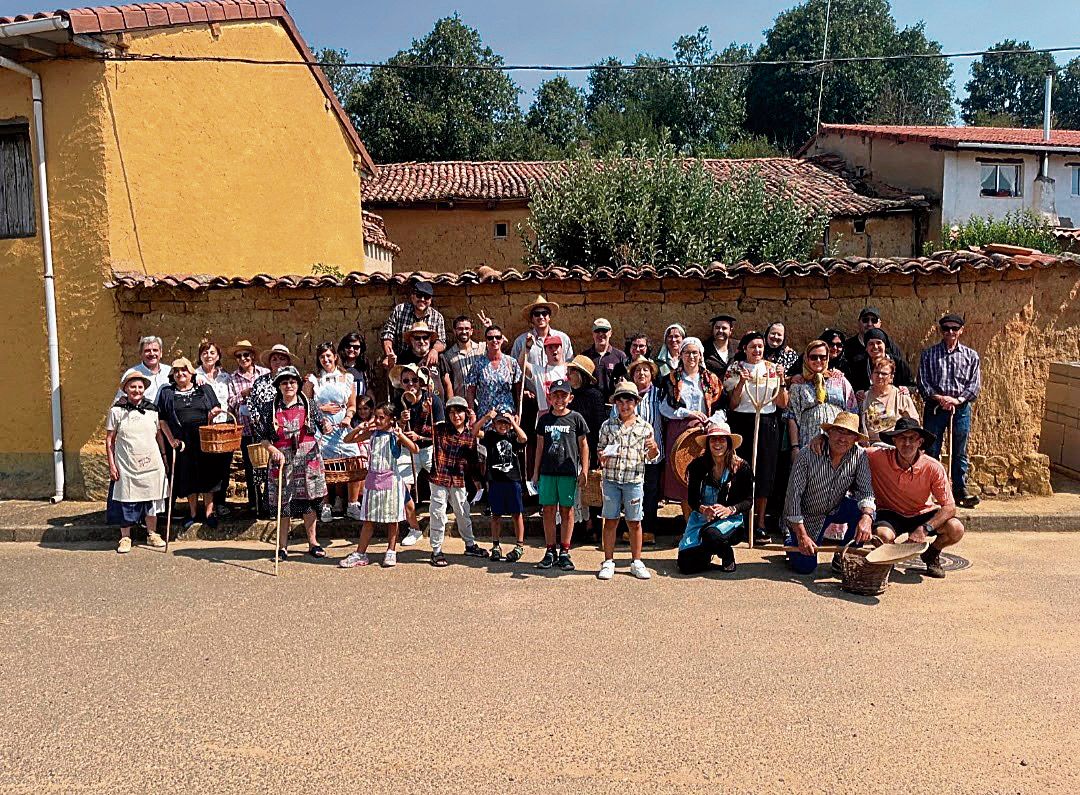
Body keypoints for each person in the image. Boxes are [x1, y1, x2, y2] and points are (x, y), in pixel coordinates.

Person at [866, 418, 965, 578]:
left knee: (956, 529)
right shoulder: (877, 456)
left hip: (921, 513)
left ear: (920, 442)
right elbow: (850, 449)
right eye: (902, 438)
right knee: (882, 535)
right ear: (894, 440)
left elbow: (949, 507)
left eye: (912, 438)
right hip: (890, 513)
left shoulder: (933, 467)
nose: (907, 443)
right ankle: (889, 558)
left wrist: (925, 529)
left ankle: (932, 553)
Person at [783, 412, 875, 574]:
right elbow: (793, 498)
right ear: (829, 432)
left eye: (849, 434)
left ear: (855, 439)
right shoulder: (807, 454)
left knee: (867, 513)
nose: (842, 438)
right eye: (839, 431)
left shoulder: (859, 456)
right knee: (805, 567)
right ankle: (791, 540)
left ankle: (845, 556)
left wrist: (867, 517)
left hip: (835, 507)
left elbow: (866, 491)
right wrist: (802, 535)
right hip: (807, 515)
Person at [256, 366, 332, 561]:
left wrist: (327, 426)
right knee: (283, 505)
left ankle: (313, 543)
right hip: (281, 459)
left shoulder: (310, 404)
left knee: (308, 504)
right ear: (278, 386)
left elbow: (323, 426)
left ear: (298, 384)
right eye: (284, 382)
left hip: (308, 459)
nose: (288, 385)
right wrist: (273, 451)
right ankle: (282, 547)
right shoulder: (270, 408)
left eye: (292, 382)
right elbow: (263, 438)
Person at [339, 402, 420, 568]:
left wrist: (401, 436)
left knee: (392, 519)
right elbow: (347, 440)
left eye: (381, 417)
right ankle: (360, 553)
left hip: (391, 482)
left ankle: (391, 551)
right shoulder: (372, 434)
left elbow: (415, 449)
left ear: (391, 419)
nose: (377, 420)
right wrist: (359, 428)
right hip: (373, 481)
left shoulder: (395, 435)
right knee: (368, 520)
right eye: (376, 416)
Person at [724, 331, 789, 537]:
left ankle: (760, 522)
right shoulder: (735, 368)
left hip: (767, 422)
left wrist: (782, 380)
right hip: (743, 421)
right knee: (741, 470)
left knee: (765, 471)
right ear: (745, 348)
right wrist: (741, 383)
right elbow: (733, 404)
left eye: (760, 346)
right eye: (753, 347)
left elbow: (782, 403)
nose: (757, 350)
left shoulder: (771, 368)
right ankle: (741, 521)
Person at [596, 380, 661, 581]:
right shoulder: (607, 426)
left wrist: (653, 448)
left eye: (629, 402)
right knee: (610, 520)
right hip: (611, 479)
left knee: (635, 521)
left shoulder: (645, 427)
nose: (625, 406)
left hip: (634, 480)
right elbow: (600, 449)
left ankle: (637, 561)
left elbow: (652, 457)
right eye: (621, 402)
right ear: (615, 403)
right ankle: (608, 561)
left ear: (636, 403)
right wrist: (602, 456)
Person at [918, 313, 982, 508]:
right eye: (946, 329)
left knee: (959, 451)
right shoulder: (929, 354)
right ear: (941, 331)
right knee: (932, 449)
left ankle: (959, 490)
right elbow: (923, 382)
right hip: (935, 408)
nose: (950, 332)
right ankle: (930, 490)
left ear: (961, 330)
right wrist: (940, 398)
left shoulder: (971, 356)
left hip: (960, 409)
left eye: (955, 329)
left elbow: (974, 385)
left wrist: (957, 400)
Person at [156, 358, 227, 532]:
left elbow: (215, 408)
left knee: (208, 476)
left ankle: (209, 513)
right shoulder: (167, 392)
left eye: (184, 370)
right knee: (188, 477)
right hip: (182, 442)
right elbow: (162, 419)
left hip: (204, 439)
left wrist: (213, 413)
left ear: (191, 373)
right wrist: (171, 440)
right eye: (176, 371)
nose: (180, 374)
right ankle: (193, 513)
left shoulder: (204, 388)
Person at [677, 423, 752, 575]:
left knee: (711, 535)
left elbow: (748, 501)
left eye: (722, 439)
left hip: (731, 520)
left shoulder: (741, 467)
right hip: (701, 517)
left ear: (729, 443)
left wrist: (730, 510)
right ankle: (705, 553)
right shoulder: (697, 466)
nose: (717, 443)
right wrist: (704, 509)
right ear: (708, 443)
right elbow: (692, 499)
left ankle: (726, 554)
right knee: (685, 566)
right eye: (713, 439)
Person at [660, 337, 724, 516]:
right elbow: (664, 407)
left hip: (705, 430)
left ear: (701, 355)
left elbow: (721, 407)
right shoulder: (671, 379)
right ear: (680, 355)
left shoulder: (711, 379)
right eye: (687, 352)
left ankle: (705, 521)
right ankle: (688, 524)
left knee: (706, 474)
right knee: (682, 474)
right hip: (679, 429)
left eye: (695, 352)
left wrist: (712, 421)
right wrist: (687, 413)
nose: (691, 356)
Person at [106, 368, 168, 552]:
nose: (136, 390)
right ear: (125, 388)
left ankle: (152, 534)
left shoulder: (152, 410)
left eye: (140, 387)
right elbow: (109, 440)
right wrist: (112, 465)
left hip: (151, 463)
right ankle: (125, 537)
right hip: (126, 464)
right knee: (126, 499)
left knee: (152, 499)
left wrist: (164, 457)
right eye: (132, 387)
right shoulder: (116, 411)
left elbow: (159, 436)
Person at [532, 379, 590, 571]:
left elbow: (584, 446)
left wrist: (584, 470)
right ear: (549, 398)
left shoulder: (576, 418)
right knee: (548, 510)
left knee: (567, 510)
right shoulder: (544, 420)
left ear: (570, 398)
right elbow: (539, 446)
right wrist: (535, 472)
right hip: (548, 472)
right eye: (555, 395)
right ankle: (550, 549)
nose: (559, 399)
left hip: (568, 472)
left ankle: (565, 550)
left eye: (563, 395)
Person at [303, 341, 362, 522]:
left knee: (354, 460)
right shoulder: (313, 380)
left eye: (328, 356)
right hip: (323, 430)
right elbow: (305, 405)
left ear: (335, 357)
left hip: (342, 429)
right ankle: (326, 505)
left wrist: (348, 418)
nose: (325, 359)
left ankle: (352, 504)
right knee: (322, 467)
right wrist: (321, 410)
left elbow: (352, 405)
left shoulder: (347, 378)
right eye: (322, 357)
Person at [427, 396, 486, 566]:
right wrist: (426, 411)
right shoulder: (440, 429)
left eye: (459, 412)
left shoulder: (470, 435)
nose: (456, 416)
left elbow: (473, 461)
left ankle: (470, 545)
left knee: (463, 512)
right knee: (437, 513)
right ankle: (436, 550)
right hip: (439, 477)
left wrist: (477, 482)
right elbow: (423, 429)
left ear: (466, 414)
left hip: (458, 479)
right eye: (452, 412)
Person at [392, 363, 445, 547]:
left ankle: (439, 524)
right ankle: (414, 529)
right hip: (408, 451)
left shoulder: (433, 400)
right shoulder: (399, 402)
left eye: (414, 380)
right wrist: (401, 422)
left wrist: (420, 437)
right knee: (402, 489)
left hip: (429, 448)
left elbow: (441, 434)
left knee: (440, 488)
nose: (410, 384)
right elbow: (394, 432)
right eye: (406, 381)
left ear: (421, 382)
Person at [246, 343, 297, 517]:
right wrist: (261, 427)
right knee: (266, 471)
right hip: (265, 433)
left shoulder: (293, 381)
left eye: (282, 358)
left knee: (289, 469)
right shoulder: (260, 382)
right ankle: (268, 507)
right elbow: (252, 405)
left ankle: (290, 506)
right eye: (274, 359)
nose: (278, 362)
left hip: (288, 432)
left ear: (288, 361)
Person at [619, 356, 664, 543]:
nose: (641, 373)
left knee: (650, 492)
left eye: (645, 370)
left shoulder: (660, 394)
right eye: (637, 370)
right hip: (630, 454)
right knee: (630, 492)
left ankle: (649, 529)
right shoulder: (625, 395)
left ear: (652, 374)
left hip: (653, 453)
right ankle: (631, 529)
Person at [473, 409, 527, 563]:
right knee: (496, 515)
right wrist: (485, 418)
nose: (503, 426)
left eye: (505, 423)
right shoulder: (490, 436)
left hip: (513, 480)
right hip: (495, 481)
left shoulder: (513, 437)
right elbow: (474, 432)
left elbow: (524, 438)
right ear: (494, 424)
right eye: (499, 423)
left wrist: (514, 423)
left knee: (517, 514)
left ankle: (519, 545)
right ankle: (496, 545)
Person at [787, 340, 858, 449]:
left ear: (828, 358)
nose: (818, 360)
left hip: (839, 442)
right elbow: (792, 417)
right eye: (813, 357)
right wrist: (794, 447)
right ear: (806, 358)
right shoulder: (798, 384)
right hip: (808, 440)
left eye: (822, 357)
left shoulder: (840, 380)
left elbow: (852, 411)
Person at [566, 354, 606, 541]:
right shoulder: (567, 394)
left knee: (589, 488)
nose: (569, 375)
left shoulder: (594, 396)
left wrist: (596, 450)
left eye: (572, 371)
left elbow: (599, 424)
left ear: (581, 374)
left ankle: (591, 525)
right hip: (569, 449)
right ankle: (574, 526)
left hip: (588, 447)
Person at [194, 340, 234, 517]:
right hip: (205, 426)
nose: (208, 356)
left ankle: (221, 502)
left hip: (224, 425)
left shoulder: (226, 377)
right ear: (200, 356)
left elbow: (231, 399)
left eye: (212, 353)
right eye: (205, 353)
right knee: (206, 466)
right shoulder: (195, 376)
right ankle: (207, 506)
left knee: (224, 466)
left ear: (218, 356)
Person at [380, 280, 446, 370]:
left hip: (425, 364)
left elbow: (441, 341)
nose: (422, 299)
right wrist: (389, 355)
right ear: (412, 297)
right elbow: (387, 334)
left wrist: (434, 350)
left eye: (426, 297)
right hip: (400, 362)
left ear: (430, 300)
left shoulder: (437, 317)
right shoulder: (400, 311)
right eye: (419, 295)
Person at [844, 306, 910, 390]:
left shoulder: (894, 352)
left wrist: (905, 390)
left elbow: (910, 384)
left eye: (874, 320)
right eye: (865, 320)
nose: (869, 324)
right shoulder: (849, 348)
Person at [465, 324, 522, 420]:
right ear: (486, 340)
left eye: (498, 337)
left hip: (506, 415)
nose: (494, 340)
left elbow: (518, 390)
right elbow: (471, 390)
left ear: (502, 339)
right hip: (485, 415)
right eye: (490, 338)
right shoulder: (478, 364)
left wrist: (518, 412)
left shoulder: (511, 362)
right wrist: (472, 413)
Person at [860, 356, 919, 443]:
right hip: (869, 445)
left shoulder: (901, 396)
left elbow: (914, 423)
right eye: (876, 372)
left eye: (884, 374)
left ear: (891, 377)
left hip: (894, 445)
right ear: (871, 375)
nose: (879, 376)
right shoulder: (863, 397)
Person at [398, 321, 452, 400]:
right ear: (411, 340)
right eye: (417, 338)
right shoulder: (404, 358)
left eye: (425, 337)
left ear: (430, 339)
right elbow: (398, 385)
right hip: (414, 405)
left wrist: (451, 405)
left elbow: (447, 384)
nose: (421, 341)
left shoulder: (439, 357)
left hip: (438, 405)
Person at [850, 328, 913, 394]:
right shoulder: (858, 365)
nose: (875, 347)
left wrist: (907, 389)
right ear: (866, 348)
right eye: (871, 344)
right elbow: (853, 387)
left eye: (878, 343)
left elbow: (913, 386)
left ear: (885, 345)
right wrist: (858, 392)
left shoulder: (899, 363)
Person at [115, 335, 172, 403]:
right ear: (140, 354)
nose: (152, 353)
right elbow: (120, 400)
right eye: (147, 351)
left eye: (155, 350)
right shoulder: (132, 373)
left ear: (161, 353)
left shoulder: (169, 371)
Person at [583, 317, 627, 400]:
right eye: (597, 331)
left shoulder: (620, 356)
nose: (601, 334)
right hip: (590, 404)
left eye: (604, 330)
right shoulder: (585, 357)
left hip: (613, 404)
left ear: (610, 333)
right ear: (593, 334)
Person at [442, 315, 485, 398]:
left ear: (471, 331)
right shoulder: (448, 355)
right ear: (454, 331)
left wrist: (489, 327)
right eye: (460, 329)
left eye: (467, 328)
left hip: (480, 401)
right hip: (461, 401)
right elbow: (448, 383)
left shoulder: (481, 350)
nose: (464, 331)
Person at [337, 331, 370, 404]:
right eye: (348, 346)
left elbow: (369, 389)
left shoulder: (364, 366)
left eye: (356, 347)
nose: (351, 349)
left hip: (361, 407)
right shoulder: (336, 367)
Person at [703, 314, 736, 379]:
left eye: (724, 328)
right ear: (713, 330)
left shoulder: (737, 347)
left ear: (730, 331)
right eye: (717, 328)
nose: (720, 331)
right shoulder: (704, 349)